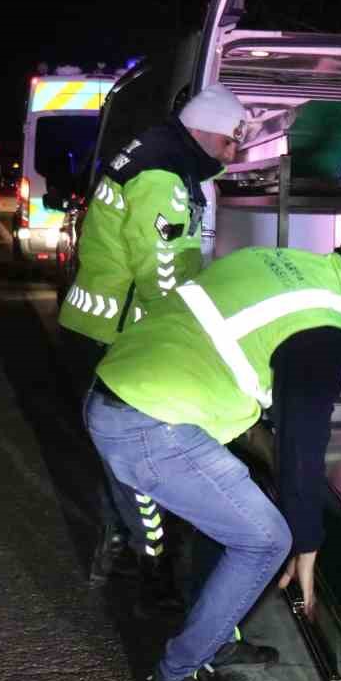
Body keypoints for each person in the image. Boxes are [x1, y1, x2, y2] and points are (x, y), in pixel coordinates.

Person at [85, 225, 341, 681]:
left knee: (242, 493)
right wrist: (306, 539)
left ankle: (215, 639)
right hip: (150, 424)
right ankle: (177, 676)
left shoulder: (272, 262)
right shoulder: (324, 326)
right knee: (263, 539)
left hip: (115, 391)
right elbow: (303, 440)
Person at [58, 84, 248, 611]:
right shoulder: (163, 174)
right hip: (117, 331)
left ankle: (121, 547)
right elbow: (160, 270)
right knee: (134, 457)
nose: (234, 156)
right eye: (233, 143)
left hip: (101, 323)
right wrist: (194, 331)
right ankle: (151, 571)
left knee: (116, 453)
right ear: (209, 132)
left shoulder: (158, 153)